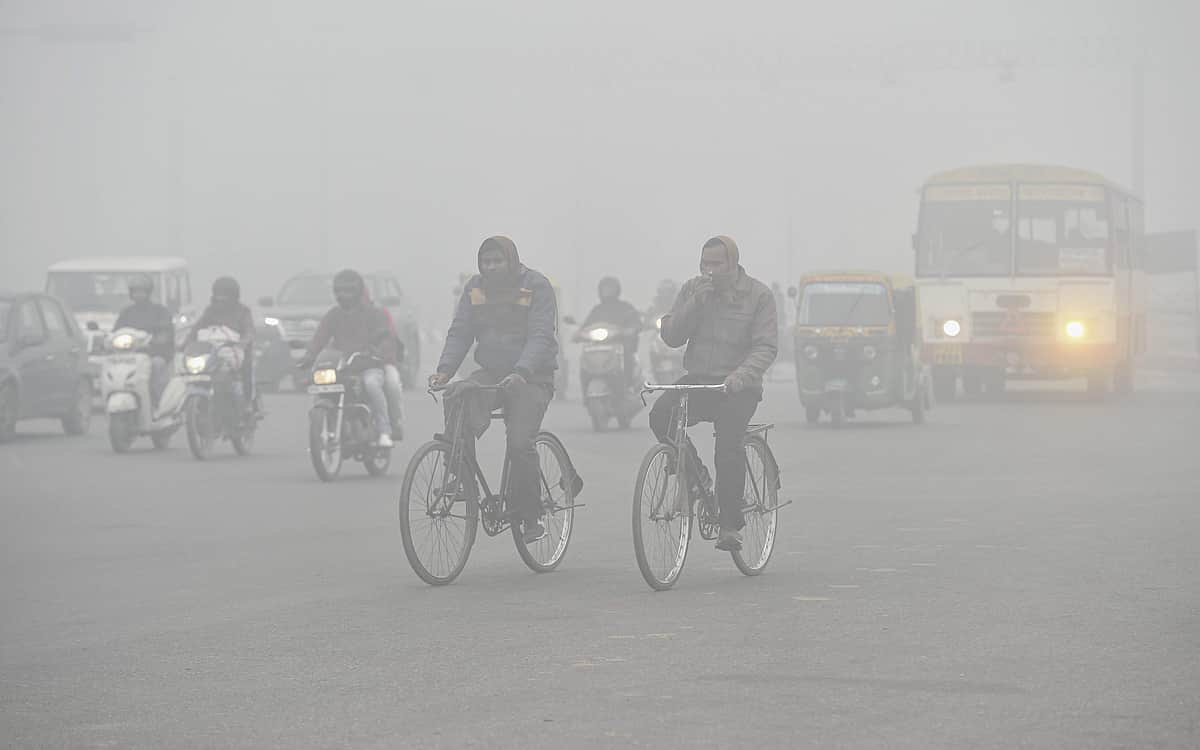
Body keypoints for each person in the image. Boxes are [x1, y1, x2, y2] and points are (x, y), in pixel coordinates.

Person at [649, 235, 778, 552]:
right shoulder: (693, 290)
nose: (709, 270)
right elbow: (672, 336)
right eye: (704, 263)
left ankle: (730, 524)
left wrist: (741, 375)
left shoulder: (758, 296)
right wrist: (695, 304)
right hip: (699, 381)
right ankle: (696, 477)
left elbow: (766, 346)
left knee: (728, 446)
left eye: (716, 264)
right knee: (660, 415)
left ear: (733, 263)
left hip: (738, 387)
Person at [429, 236, 559, 544]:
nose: (491, 267)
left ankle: (531, 515)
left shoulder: (536, 286)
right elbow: (460, 332)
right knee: (457, 395)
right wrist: (444, 370)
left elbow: (541, 335)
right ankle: (462, 478)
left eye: (497, 261)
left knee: (518, 444)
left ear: (510, 260)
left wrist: (522, 371)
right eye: (486, 262)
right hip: (491, 372)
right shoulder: (475, 289)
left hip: (532, 377)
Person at [298, 270, 398, 448]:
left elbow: (386, 338)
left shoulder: (374, 313)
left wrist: (377, 352)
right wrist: (309, 356)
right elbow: (320, 338)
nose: (343, 295)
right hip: (343, 367)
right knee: (321, 388)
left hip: (369, 365)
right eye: (339, 291)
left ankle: (384, 431)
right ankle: (321, 431)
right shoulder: (333, 315)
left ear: (358, 291)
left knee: (372, 385)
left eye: (348, 291)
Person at [187, 276, 257, 411]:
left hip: (237, 353)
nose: (221, 298)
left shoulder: (243, 312)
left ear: (234, 295)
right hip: (212, 352)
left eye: (225, 295)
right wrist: (185, 344)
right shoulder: (210, 311)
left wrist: (242, 344)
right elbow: (196, 329)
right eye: (219, 294)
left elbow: (249, 331)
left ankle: (248, 403)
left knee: (246, 370)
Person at [114, 274, 174, 405]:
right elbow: (116, 332)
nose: (138, 295)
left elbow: (166, 330)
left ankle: (161, 403)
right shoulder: (126, 312)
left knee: (157, 365)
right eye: (135, 291)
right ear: (131, 293)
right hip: (130, 356)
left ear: (148, 292)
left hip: (154, 354)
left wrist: (158, 340)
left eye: (141, 291)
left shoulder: (160, 311)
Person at [580, 276, 643, 389]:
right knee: (584, 359)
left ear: (617, 290)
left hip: (620, 345)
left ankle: (628, 386)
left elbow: (636, 321)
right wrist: (579, 333)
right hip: (599, 347)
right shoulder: (597, 309)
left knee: (627, 355)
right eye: (605, 289)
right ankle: (585, 388)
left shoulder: (625, 307)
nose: (607, 292)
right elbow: (586, 326)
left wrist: (631, 329)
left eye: (610, 289)